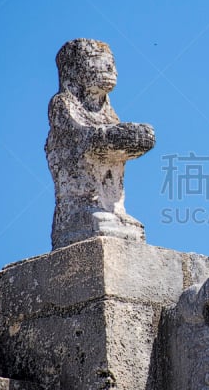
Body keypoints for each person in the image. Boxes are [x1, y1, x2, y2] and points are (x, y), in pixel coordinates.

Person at [45, 38, 155, 249]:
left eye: (111, 62)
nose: (109, 67)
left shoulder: (108, 113)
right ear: (74, 68)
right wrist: (114, 136)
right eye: (97, 60)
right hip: (79, 200)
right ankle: (83, 214)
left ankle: (115, 209)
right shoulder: (63, 105)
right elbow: (83, 139)